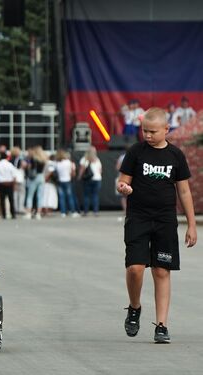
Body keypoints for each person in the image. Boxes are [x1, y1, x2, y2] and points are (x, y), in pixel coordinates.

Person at [117, 107, 197, 343]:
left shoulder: (175, 156)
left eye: (153, 131)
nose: (148, 135)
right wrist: (124, 188)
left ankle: (161, 325)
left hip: (165, 219)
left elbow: (184, 191)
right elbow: (123, 182)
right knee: (135, 268)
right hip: (138, 217)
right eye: (145, 131)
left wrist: (191, 224)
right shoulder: (135, 152)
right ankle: (134, 307)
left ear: (166, 129)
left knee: (162, 271)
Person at [24, 146, 48, 220]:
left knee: (30, 196)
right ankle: (38, 213)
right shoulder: (44, 159)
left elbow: (29, 167)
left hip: (34, 177)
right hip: (41, 177)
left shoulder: (33, 159)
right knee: (40, 196)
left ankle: (28, 213)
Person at [0, 152, 16, 219]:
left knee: (2, 200)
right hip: (9, 183)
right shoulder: (10, 164)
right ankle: (13, 213)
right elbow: (14, 176)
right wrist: (14, 185)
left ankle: (4, 214)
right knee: (11, 199)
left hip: (1, 184)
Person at [78, 146, 103, 216]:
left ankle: (86, 211)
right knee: (95, 195)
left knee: (86, 195)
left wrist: (79, 177)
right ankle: (95, 211)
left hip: (88, 179)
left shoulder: (84, 159)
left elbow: (82, 169)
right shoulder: (97, 159)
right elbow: (100, 170)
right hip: (97, 179)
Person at [55, 149, 79, 218]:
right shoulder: (68, 162)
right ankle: (73, 211)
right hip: (67, 180)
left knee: (62, 197)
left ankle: (63, 212)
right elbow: (73, 173)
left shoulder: (57, 163)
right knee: (70, 197)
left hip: (60, 181)